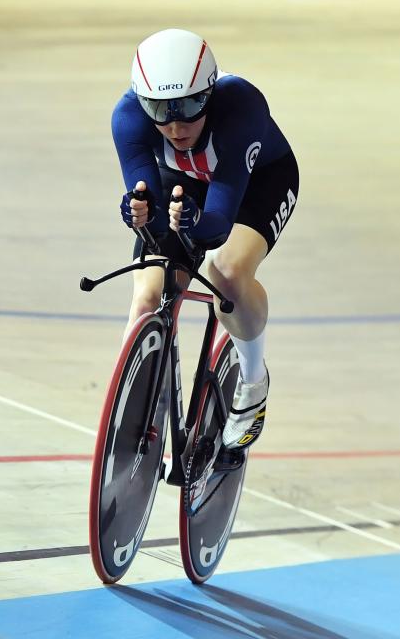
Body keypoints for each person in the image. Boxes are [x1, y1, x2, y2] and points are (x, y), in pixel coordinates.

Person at [112, 28, 299, 452]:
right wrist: (139, 214)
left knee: (226, 272)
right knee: (148, 291)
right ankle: (136, 401)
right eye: (160, 111)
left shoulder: (242, 107)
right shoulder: (127, 118)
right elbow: (151, 210)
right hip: (186, 184)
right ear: (142, 103)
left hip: (257, 183)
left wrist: (195, 223)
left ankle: (253, 381)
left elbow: (216, 225)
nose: (176, 126)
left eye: (192, 106)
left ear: (210, 92)